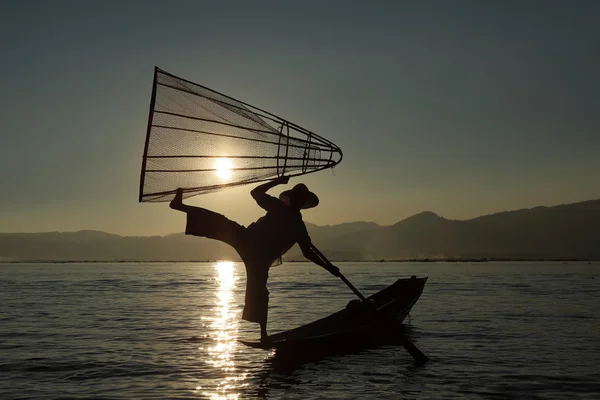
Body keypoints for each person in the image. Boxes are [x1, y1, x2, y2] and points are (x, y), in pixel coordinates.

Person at [169, 176, 341, 343]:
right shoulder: (280, 208)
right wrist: (276, 181)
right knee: (220, 222)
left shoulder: (297, 224)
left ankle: (264, 335)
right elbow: (256, 192)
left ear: (301, 203)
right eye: (296, 198)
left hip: (259, 257)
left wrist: (329, 267)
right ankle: (180, 206)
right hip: (248, 240)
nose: (296, 201)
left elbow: (308, 252)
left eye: (299, 199)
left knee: (260, 292)